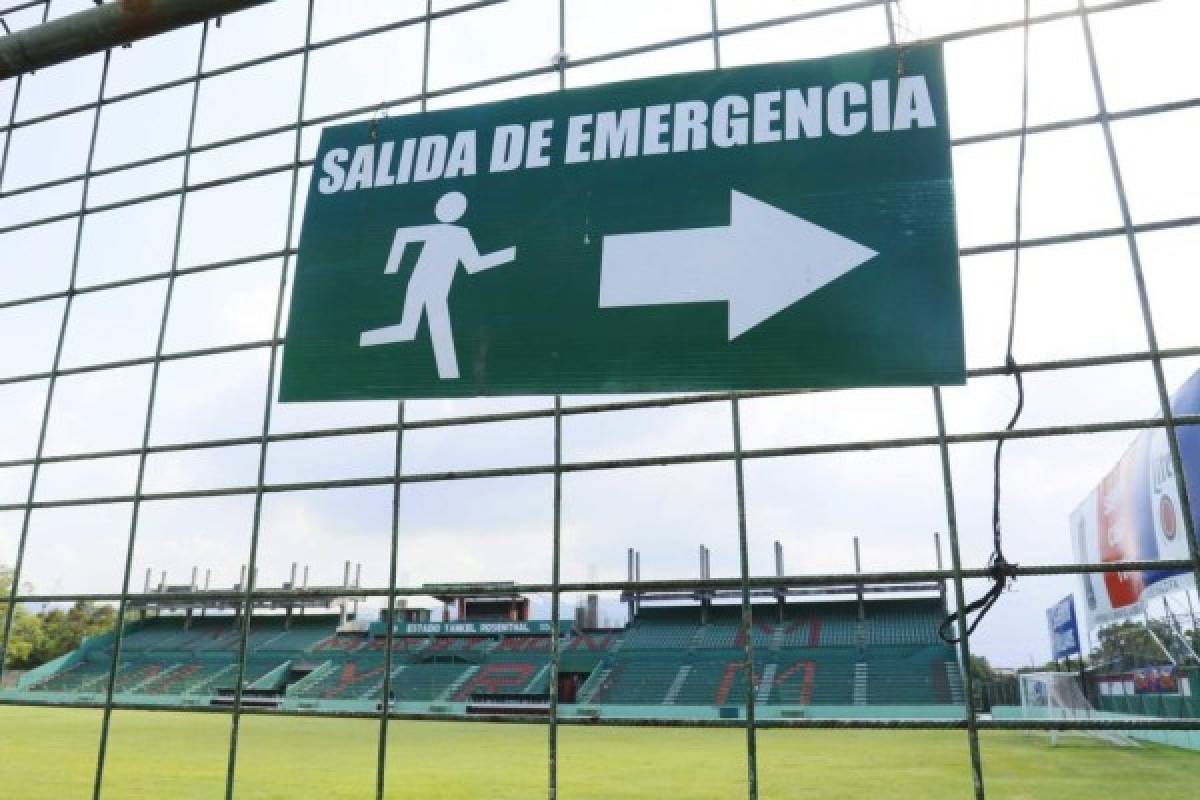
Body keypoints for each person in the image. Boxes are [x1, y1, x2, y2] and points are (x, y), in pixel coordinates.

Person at [360, 191, 516, 380]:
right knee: (424, 330)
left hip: (428, 285)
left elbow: (473, 265)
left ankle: (365, 339)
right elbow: (403, 235)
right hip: (424, 285)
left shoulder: (459, 233)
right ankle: (449, 374)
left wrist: (507, 255)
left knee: (412, 329)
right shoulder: (455, 232)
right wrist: (391, 267)